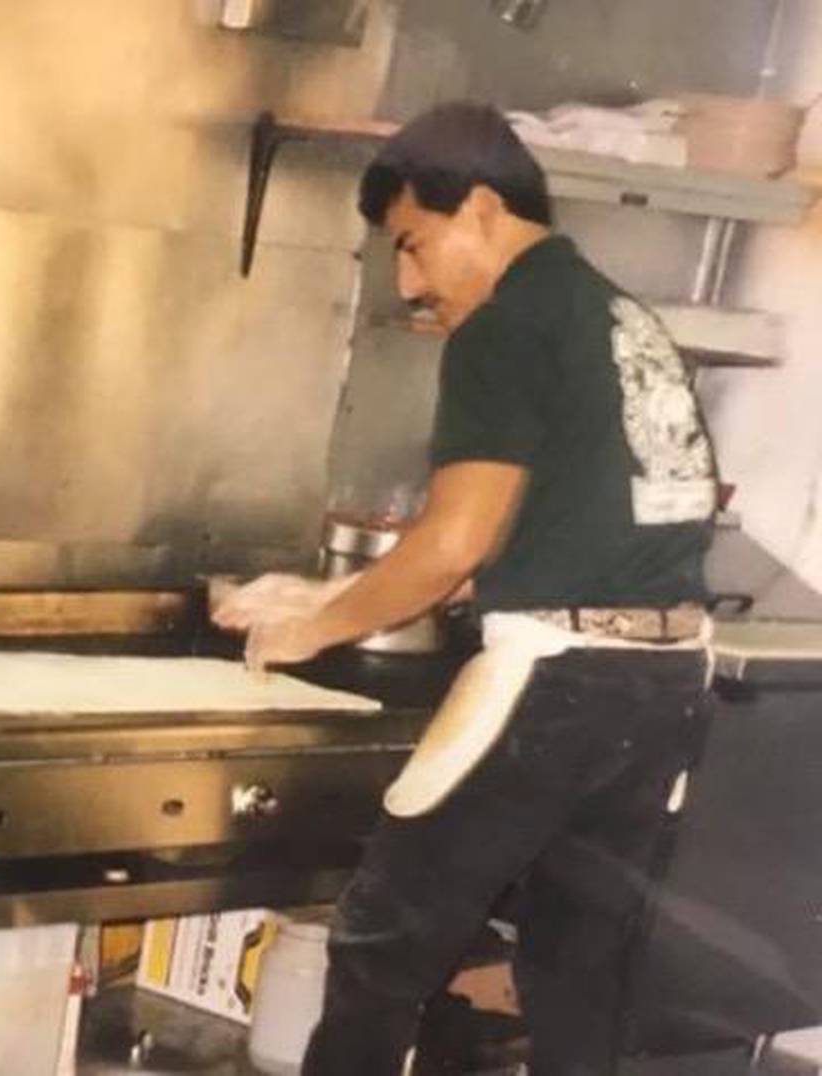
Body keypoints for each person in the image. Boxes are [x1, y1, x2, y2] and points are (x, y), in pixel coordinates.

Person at [213, 101, 717, 1076]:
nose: (409, 279)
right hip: (666, 684)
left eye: (413, 243)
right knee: (581, 970)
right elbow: (564, 517)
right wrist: (337, 595)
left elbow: (451, 542)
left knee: (379, 939)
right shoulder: (620, 315)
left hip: (556, 682)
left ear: (480, 207)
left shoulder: (505, 323)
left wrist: (311, 625)